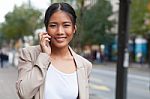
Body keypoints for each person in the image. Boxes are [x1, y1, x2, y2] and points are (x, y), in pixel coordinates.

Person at [16, 2, 92, 99]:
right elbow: (23, 93)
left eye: (66, 25)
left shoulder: (85, 65)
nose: (60, 32)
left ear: (74, 28)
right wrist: (44, 56)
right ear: (46, 29)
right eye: (53, 25)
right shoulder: (29, 54)